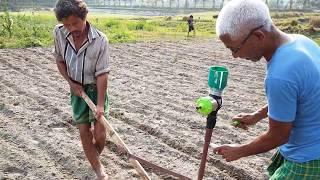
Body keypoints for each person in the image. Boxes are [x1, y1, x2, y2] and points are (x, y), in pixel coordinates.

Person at [213, 0, 320, 179]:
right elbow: (299, 96)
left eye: (235, 48)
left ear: (258, 36)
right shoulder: (301, 41)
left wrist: (239, 151)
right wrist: (257, 115)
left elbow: (277, 136)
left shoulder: (280, 74)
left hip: (308, 158)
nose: (235, 56)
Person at [53, 0, 110, 179]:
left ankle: (93, 155)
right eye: (66, 24)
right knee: (84, 130)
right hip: (77, 90)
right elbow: (60, 60)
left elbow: (102, 74)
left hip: (96, 89)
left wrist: (100, 105)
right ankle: (98, 168)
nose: (71, 28)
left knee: (100, 134)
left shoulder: (100, 40)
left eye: (75, 23)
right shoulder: (59, 32)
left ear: (84, 17)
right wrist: (71, 83)